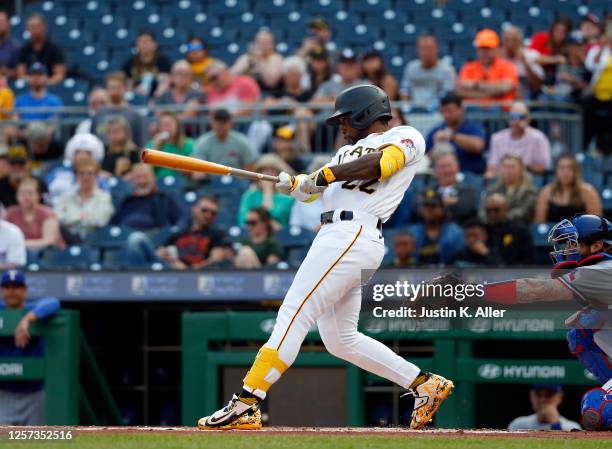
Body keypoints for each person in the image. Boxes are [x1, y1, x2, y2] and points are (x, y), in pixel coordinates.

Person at [198, 84, 454, 431]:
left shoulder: (405, 135)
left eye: (346, 118)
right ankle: (423, 383)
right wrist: (298, 186)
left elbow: (381, 165)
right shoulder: (340, 155)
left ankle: (247, 400)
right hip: (341, 235)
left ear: (366, 112)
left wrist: (324, 175)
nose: (342, 126)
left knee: (294, 313)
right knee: (340, 339)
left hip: (353, 233)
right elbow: (318, 191)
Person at [467, 214, 612, 429]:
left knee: (597, 406)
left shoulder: (603, 270)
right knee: (583, 326)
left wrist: (467, 291)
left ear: (597, 245)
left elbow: (536, 290)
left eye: (573, 243)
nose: (566, 249)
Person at [0, 269, 60, 425]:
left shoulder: (33, 309)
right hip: (4, 392)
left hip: (34, 393)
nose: (12, 291)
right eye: (7, 287)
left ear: (25, 290)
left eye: (17, 287)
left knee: (36, 441)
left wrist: (27, 319)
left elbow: (53, 302)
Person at [156, 196, 230, 269]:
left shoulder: (218, 235)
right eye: (204, 210)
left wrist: (189, 270)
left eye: (213, 213)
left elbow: (215, 259)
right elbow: (160, 252)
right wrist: (172, 260)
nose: (208, 215)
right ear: (194, 209)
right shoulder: (178, 234)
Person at [110, 163, 185, 231]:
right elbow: (112, 224)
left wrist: (171, 234)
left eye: (144, 176)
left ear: (153, 178)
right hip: (125, 237)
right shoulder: (126, 201)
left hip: (154, 237)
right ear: (132, 180)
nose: (141, 181)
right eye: (138, 177)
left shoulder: (165, 199)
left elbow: (182, 219)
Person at [55, 159, 114, 244]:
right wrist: (83, 217)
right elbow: (58, 219)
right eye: (81, 173)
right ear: (76, 175)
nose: (86, 177)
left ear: (96, 176)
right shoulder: (65, 197)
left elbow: (101, 221)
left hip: (94, 239)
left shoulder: (104, 197)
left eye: (90, 173)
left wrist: (72, 219)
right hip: (67, 239)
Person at [425, 93, 487, 174]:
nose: (446, 115)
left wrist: (452, 137)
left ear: (461, 109)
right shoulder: (436, 131)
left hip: (470, 176)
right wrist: (437, 146)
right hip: (443, 178)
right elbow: (426, 159)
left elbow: (478, 146)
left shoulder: (473, 128)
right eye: (443, 111)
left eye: (450, 110)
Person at [486, 101, 551, 176]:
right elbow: (491, 168)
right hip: (503, 180)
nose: (516, 121)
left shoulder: (539, 138)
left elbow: (544, 167)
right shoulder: (496, 138)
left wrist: (518, 168)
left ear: (528, 119)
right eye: (513, 116)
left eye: (521, 117)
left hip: (530, 181)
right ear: (508, 119)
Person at [457, 29, 519, 104]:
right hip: (473, 110)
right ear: (477, 49)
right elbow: (460, 90)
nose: (485, 52)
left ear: (496, 48)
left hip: (501, 111)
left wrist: (476, 86)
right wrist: (495, 91)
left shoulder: (507, 66)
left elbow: (506, 87)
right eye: (482, 48)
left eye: (488, 48)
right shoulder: (468, 67)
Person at [535, 154, 602, 224]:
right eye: (562, 168)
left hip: (580, 234)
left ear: (576, 171)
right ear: (556, 171)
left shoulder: (588, 191)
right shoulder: (546, 192)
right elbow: (539, 224)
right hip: (553, 233)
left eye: (570, 168)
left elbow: (596, 224)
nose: (565, 172)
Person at [45, 133, 106, 206]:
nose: (82, 156)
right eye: (78, 152)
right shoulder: (57, 173)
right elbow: (45, 192)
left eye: (87, 153)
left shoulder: (99, 177)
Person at [5, 177, 63, 252]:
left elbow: (49, 241)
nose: (26, 197)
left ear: (38, 195)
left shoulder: (48, 213)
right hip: (19, 256)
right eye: (22, 193)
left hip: (49, 256)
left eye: (30, 193)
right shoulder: (10, 213)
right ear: (17, 195)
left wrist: (20, 244)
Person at [238, 154, 295, 229]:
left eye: (272, 172)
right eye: (264, 172)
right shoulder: (250, 195)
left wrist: (268, 192)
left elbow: (276, 215)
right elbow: (242, 220)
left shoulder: (287, 198)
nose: (267, 176)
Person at [400, 33, 456, 109]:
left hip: (438, 113)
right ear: (418, 50)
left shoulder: (446, 70)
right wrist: (406, 107)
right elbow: (404, 91)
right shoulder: (411, 67)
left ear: (436, 49)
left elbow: (447, 97)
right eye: (423, 49)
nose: (426, 53)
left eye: (429, 48)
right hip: (414, 112)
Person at [410, 189, 464, 265]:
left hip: (447, 274)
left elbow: (458, 260)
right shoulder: (412, 233)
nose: (429, 209)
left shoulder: (455, 232)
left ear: (442, 209)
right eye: (425, 206)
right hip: (417, 274)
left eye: (433, 206)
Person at [92, 71, 145, 146]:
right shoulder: (98, 114)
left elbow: (140, 144)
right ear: (107, 89)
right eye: (112, 87)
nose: (115, 91)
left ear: (125, 88)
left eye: (118, 87)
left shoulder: (135, 115)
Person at [583, 21, 612, 153]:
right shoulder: (597, 50)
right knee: (591, 121)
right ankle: (586, 148)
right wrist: (602, 47)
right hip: (597, 94)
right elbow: (591, 65)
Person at [483, 154, 537, 225]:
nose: (508, 171)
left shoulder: (530, 191)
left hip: (517, 227)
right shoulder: (492, 189)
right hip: (491, 226)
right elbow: (482, 210)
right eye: (505, 167)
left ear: (521, 170)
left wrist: (500, 218)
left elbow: (524, 212)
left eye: (512, 167)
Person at [483, 193, 534, 265]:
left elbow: (528, 259)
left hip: (516, 273)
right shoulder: (482, 230)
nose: (492, 214)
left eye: (496, 210)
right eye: (488, 210)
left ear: (506, 210)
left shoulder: (520, 231)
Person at [431, 151, 478, 224]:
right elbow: (419, 208)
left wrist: (436, 204)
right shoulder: (429, 190)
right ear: (435, 171)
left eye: (449, 166)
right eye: (442, 167)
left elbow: (466, 208)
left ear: (457, 168)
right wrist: (445, 202)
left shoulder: (468, 189)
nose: (446, 170)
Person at [16, 14, 65, 84]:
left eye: (37, 26)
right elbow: (20, 74)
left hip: (50, 88)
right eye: (31, 27)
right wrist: (34, 81)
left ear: (44, 27)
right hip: (30, 88)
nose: (34, 30)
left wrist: (44, 83)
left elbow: (59, 75)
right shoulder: (24, 49)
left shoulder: (55, 48)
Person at [541, 32, 590, 103]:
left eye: (581, 45)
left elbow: (588, 88)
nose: (578, 49)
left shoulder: (588, 65)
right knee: (543, 98)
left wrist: (572, 80)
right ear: (568, 47)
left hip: (573, 98)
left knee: (559, 99)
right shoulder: (561, 61)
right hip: (555, 93)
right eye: (574, 46)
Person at [232, 29, 283, 94]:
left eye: (266, 43)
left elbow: (271, 82)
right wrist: (246, 64)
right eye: (259, 42)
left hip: (268, 94)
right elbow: (231, 76)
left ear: (272, 45)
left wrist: (260, 60)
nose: (262, 45)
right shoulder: (246, 57)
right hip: (245, 94)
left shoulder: (275, 58)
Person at [508, 384, 581, 431]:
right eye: (538, 394)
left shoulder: (572, 427)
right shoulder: (518, 424)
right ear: (531, 396)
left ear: (560, 397)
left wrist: (555, 424)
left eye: (549, 395)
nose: (543, 400)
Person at [122, 31, 171, 98]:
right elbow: (127, 83)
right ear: (137, 44)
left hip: (157, 97)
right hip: (136, 96)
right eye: (141, 41)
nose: (144, 44)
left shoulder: (163, 61)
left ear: (155, 44)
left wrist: (156, 97)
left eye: (147, 41)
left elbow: (166, 82)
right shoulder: (130, 63)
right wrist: (133, 93)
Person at [147, 111, 193, 179]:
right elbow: (146, 168)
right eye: (163, 125)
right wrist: (155, 147)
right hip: (158, 182)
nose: (166, 128)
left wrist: (170, 161)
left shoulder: (188, 144)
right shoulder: (153, 143)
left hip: (181, 183)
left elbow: (191, 170)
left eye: (169, 124)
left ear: (177, 125)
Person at [501, 25, 544, 98]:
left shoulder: (531, 55)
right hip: (502, 94)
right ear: (503, 42)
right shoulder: (497, 58)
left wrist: (525, 62)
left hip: (526, 94)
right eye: (507, 40)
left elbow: (537, 86)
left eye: (514, 40)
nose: (510, 44)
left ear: (520, 41)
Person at [529, 17, 573, 86]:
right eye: (557, 31)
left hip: (556, 83)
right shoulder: (541, 37)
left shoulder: (569, 45)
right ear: (552, 30)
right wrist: (556, 59)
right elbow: (531, 58)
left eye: (563, 32)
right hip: (536, 79)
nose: (559, 35)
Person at [0, 9, 21, 79]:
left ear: (9, 23)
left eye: (2, 22)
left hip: (9, 85)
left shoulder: (16, 47)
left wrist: (5, 72)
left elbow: (20, 73)